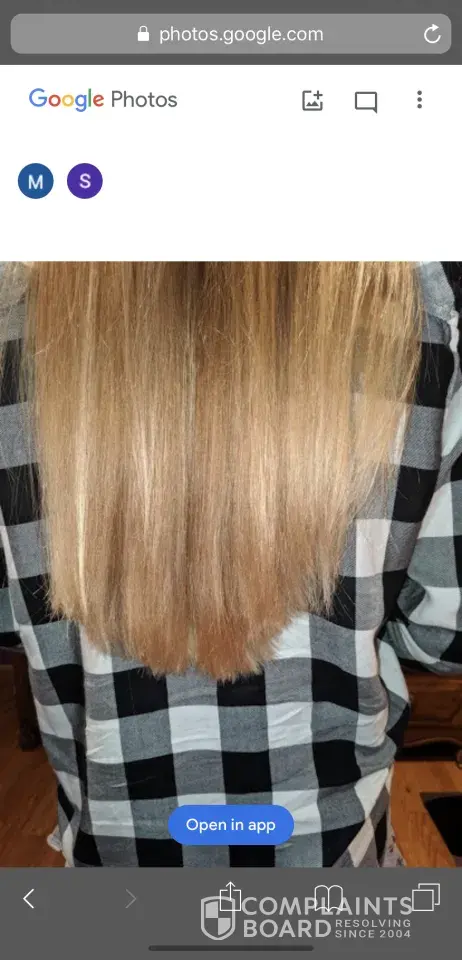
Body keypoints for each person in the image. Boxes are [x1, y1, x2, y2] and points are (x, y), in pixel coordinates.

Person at [0, 261, 460, 868]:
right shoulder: (415, 321)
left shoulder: (17, 337)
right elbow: (443, 636)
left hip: (116, 861)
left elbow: (14, 622)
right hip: (331, 857)